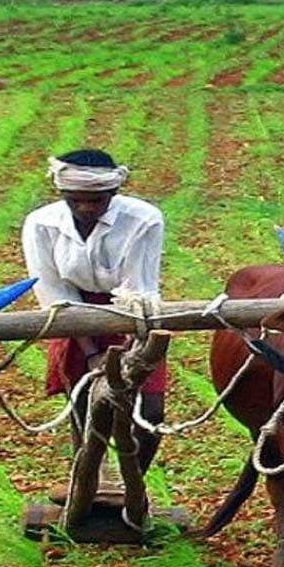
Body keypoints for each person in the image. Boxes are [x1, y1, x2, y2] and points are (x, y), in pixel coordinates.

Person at [21, 148, 168, 478]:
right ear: (62, 194)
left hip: (133, 316)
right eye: (76, 200)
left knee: (151, 412)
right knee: (85, 404)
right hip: (73, 316)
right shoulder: (41, 224)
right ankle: (87, 482)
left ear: (114, 193)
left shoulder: (143, 219)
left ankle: (133, 483)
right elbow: (54, 293)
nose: (86, 207)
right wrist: (91, 354)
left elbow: (138, 289)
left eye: (97, 200)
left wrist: (131, 356)